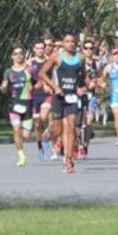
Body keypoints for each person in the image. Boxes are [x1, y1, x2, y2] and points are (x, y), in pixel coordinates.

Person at [38, 34, 85, 174]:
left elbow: (82, 75)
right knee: (58, 129)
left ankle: (68, 160)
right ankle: (48, 135)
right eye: (67, 41)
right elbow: (42, 73)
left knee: (71, 127)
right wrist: (54, 87)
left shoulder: (81, 58)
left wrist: (81, 87)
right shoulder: (56, 57)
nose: (71, 44)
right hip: (58, 96)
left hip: (72, 97)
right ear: (63, 44)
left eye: (73, 41)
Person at [0, 47, 33, 167]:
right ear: (12, 57)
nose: (18, 55)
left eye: (20, 53)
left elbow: (39, 82)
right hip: (14, 104)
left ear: (23, 56)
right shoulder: (8, 72)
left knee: (26, 135)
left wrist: (35, 88)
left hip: (28, 104)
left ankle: (21, 145)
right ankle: (21, 156)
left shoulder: (29, 69)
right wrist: (3, 88)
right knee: (16, 130)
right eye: (15, 53)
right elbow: (4, 85)